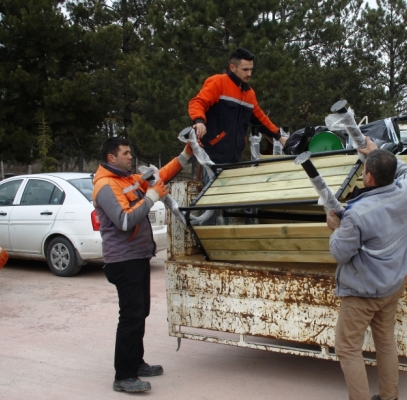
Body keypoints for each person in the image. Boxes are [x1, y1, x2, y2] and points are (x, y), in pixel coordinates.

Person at [93, 137, 192, 393]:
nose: (130, 157)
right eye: (125, 153)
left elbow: (160, 177)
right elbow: (124, 221)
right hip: (123, 261)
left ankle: (136, 363)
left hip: (137, 258)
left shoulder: (127, 179)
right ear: (111, 158)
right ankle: (123, 376)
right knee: (130, 317)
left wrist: (185, 154)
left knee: (140, 313)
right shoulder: (106, 185)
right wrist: (150, 197)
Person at [326, 137, 407, 400]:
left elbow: (340, 253)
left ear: (368, 178)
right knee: (385, 341)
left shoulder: (357, 214)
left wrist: (336, 228)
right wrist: (377, 152)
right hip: (391, 285)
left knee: (347, 348)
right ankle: (390, 396)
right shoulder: (404, 191)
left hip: (362, 292)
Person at [188, 47, 286, 164]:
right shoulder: (218, 83)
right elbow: (198, 102)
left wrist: (279, 136)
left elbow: (261, 119)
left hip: (235, 158)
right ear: (232, 68)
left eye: (251, 69)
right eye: (245, 69)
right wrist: (199, 121)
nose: (249, 73)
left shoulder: (249, 93)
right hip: (212, 157)